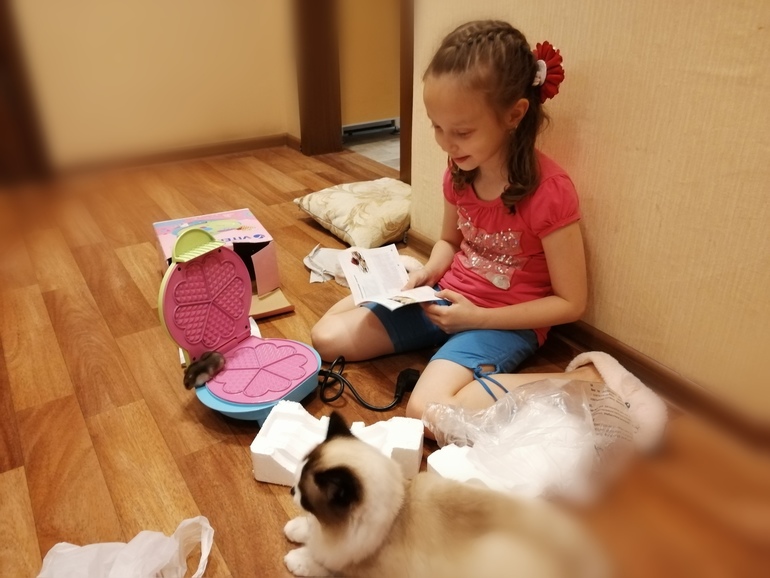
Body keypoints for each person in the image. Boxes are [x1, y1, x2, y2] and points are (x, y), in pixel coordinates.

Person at [311, 20, 588, 422]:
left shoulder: (550, 192)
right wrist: (428, 272)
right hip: (444, 299)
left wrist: (478, 318)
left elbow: (571, 303)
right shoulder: (460, 171)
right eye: (437, 127)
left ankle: (581, 380)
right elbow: (450, 242)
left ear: (514, 114)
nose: (446, 143)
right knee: (325, 338)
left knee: (427, 411)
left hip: (503, 322)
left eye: (461, 131)